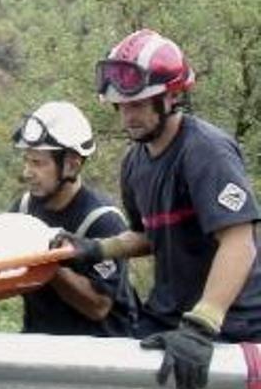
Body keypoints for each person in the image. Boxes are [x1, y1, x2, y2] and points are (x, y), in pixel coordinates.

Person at [55, 29, 261, 389]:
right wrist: (96, 249)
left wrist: (203, 323)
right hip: (168, 316)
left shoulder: (205, 151)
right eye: (121, 106)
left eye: (137, 105)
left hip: (230, 323)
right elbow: (149, 235)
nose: (127, 117)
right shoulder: (135, 163)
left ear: (170, 98)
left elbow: (239, 242)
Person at [11, 101, 137, 337]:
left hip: (97, 353)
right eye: (26, 160)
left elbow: (99, 306)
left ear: (70, 165)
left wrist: (46, 262)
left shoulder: (103, 220)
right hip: (41, 341)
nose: (27, 172)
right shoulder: (24, 208)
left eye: (38, 163)